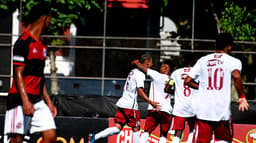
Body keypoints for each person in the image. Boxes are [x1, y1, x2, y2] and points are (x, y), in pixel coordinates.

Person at [4, 3, 57, 143]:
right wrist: (25, 101)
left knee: (51, 136)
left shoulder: (43, 45)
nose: (50, 23)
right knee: (16, 140)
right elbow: (18, 74)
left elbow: (40, 76)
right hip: (19, 99)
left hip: (37, 100)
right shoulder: (23, 42)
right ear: (45, 18)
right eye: (49, 19)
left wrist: (49, 102)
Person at [184, 33, 249, 143]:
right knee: (223, 140)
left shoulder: (203, 60)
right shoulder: (233, 61)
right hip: (221, 110)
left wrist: (201, 88)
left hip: (203, 110)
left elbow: (187, 80)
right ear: (229, 47)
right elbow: (236, 76)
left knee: (202, 140)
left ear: (215, 45)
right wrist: (242, 96)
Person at [88, 54, 160, 143]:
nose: (152, 65)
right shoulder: (140, 75)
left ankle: (95, 136)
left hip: (123, 104)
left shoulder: (133, 71)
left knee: (117, 128)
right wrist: (150, 102)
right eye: (151, 63)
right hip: (130, 106)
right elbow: (140, 92)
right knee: (136, 129)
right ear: (147, 63)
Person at [132, 60, 172, 143]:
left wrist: (136, 62)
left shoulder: (157, 75)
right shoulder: (171, 79)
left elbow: (144, 69)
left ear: (165, 68)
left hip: (155, 108)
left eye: (161, 66)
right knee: (163, 135)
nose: (160, 68)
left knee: (147, 131)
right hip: (166, 110)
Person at [167, 66, 198, 143]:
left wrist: (175, 92)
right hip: (194, 107)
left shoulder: (175, 73)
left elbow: (168, 88)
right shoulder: (197, 72)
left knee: (178, 132)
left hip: (180, 107)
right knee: (193, 129)